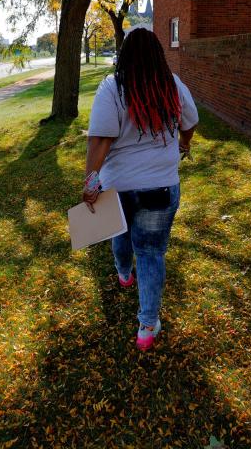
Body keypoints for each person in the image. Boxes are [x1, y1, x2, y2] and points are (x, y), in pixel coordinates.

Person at [83, 28, 198, 351]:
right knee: (151, 252)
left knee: (119, 233)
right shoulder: (172, 85)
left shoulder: (112, 87)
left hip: (118, 186)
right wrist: (184, 144)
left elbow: (100, 139)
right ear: (158, 54)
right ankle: (147, 325)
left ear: (125, 55)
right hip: (160, 187)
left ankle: (123, 273)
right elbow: (191, 122)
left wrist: (91, 182)